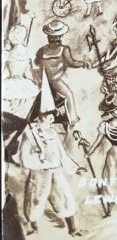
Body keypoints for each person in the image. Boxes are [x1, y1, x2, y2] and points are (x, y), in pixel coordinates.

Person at [16, 76, 85, 236]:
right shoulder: (30, 134)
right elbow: (24, 156)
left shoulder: (52, 132)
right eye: (50, 115)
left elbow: (62, 154)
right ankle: (33, 227)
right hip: (39, 174)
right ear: (41, 116)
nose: (53, 118)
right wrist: (39, 162)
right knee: (36, 199)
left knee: (64, 197)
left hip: (55, 171)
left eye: (53, 115)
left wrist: (75, 168)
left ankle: (72, 228)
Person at [34, 19, 89, 126]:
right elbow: (72, 63)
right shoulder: (64, 50)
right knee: (69, 95)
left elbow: (36, 62)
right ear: (60, 36)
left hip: (43, 80)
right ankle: (73, 118)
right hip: (55, 81)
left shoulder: (42, 50)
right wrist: (83, 63)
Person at [2, 23, 39, 117]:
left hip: (16, 82)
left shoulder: (8, 54)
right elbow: (34, 71)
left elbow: (33, 71)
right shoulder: (8, 54)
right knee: (16, 108)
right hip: (18, 82)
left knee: (16, 108)